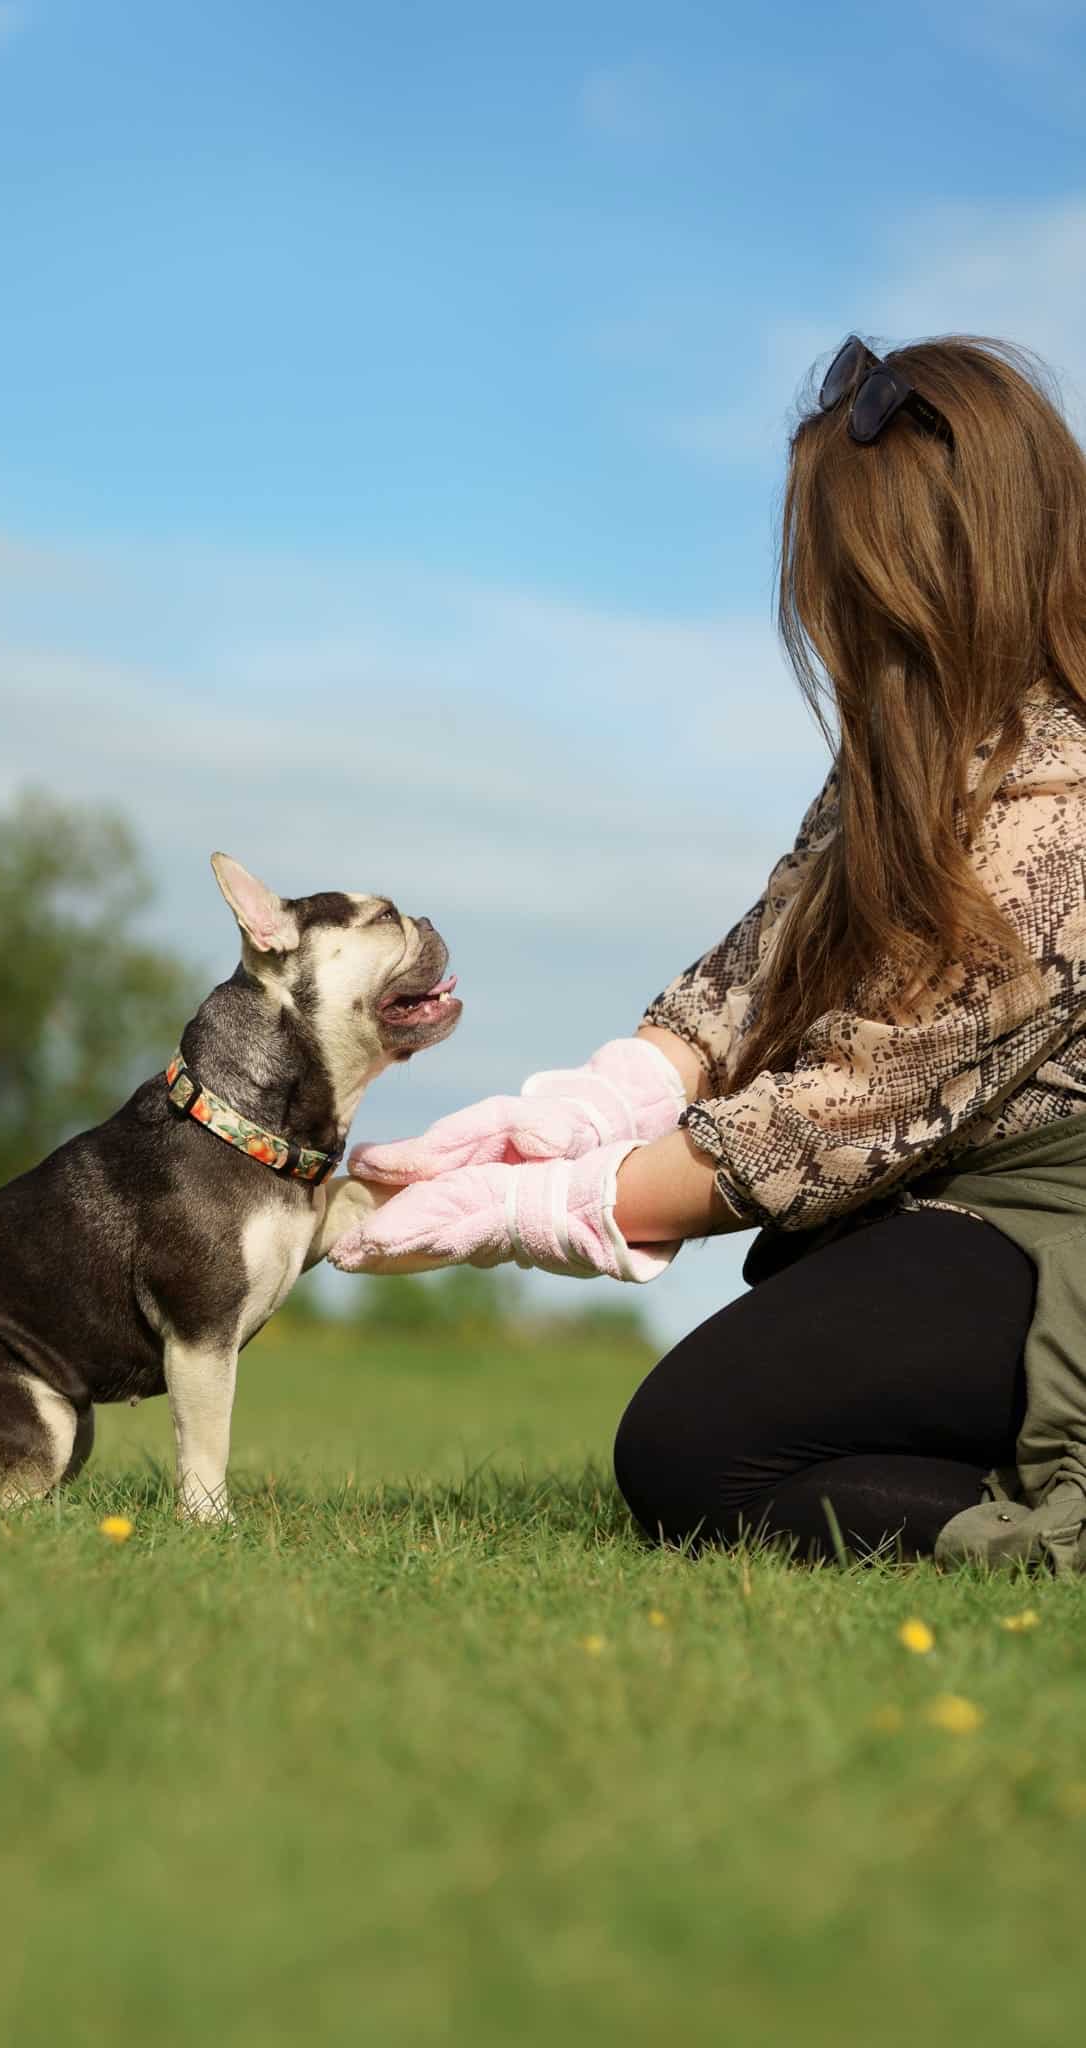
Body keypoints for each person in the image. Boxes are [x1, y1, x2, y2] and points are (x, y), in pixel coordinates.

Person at [331, 334, 1086, 1567]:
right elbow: (759, 967)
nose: (815, 597)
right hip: (950, 1196)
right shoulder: (911, 751)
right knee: (741, 1407)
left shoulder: (1063, 801)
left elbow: (847, 1105)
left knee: (696, 1446)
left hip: (1054, 1219)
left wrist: (543, 1207)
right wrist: (587, 1106)